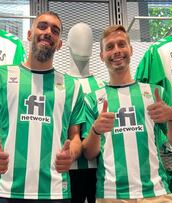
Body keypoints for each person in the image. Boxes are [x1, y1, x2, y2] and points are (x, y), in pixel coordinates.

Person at [0, 11, 85, 203]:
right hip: (3, 190)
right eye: (42, 26)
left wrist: (72, 154)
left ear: (59, 44)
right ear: (29, 34)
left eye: (55, 31)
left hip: (55, 192)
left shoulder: (72, 87)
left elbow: (74, 137)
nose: (48, 32)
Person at [82, 25, 172, 203]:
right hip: (111, 196)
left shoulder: (156, 93)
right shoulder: (93, 98)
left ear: (130, 49)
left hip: (157, 193)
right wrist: (95, 131)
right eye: (109, 47)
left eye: (121, 44)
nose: (116, 51)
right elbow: (89, 154)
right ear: (102, 56)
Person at [66, 22, 105, 203]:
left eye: (89, 38)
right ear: (67, 42)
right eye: (78, 37)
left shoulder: (103, 87)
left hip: (100, 169)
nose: (84, 43)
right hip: (66, 169)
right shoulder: (59, 84)